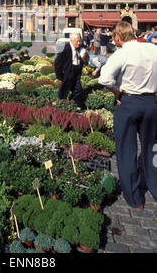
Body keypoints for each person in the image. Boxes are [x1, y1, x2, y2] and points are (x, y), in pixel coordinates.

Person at [98, 21, 157, 211]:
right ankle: (155, 188)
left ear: (118, 37)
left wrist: (116, 91)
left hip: (129, 103)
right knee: (152, 149)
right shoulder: (151, 48)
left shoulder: (122, 53)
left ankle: (135, 199)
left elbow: (103, 78)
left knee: (127, 151)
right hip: (151, 104)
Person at [54, 32, 86, 112]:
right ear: (71, 40)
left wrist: (83, 59)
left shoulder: (80, 48)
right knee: (64, 91)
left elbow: (83, 59)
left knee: (78, 90)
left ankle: (73, 104)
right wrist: (60, 76)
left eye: (80, 41)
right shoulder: (65, 48)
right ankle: (60, 107)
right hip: (68, 72)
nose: (79, 43)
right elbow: (57, 63)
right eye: (77, 41)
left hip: (76, 71)